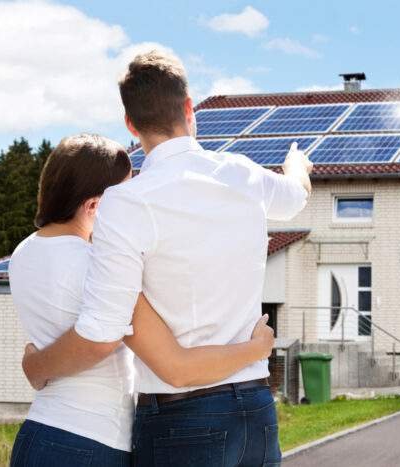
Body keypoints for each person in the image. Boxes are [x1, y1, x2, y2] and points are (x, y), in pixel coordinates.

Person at [22, 50, 313, 466]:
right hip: (256, 411)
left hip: (183, 417)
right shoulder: (242, 173)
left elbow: (103, 332)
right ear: (189, 108)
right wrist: (296, 164)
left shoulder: (127, 203)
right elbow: (296, 196)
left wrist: (36, 366)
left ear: (130, 125)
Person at [9, 134, 276, 466]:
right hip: (91, 442)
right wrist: (256, 349)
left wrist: (35, 367)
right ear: (94, 206)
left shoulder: (23, 254)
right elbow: (175, 366)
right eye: (124, 196)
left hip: (37, 435)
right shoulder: (98, 266)